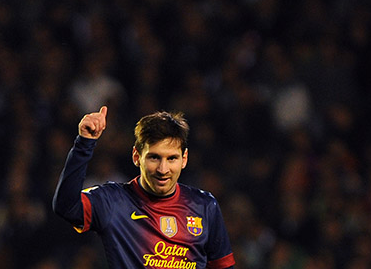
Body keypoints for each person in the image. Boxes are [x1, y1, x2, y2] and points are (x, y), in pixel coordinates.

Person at [53, 106, 235, 268]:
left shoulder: (204, 206)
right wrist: (84, 144)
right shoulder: (112, 202)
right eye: (154, 157)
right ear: (136, 156)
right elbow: (66, 207)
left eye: (171, 158)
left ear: (184, 159)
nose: (163, 169)